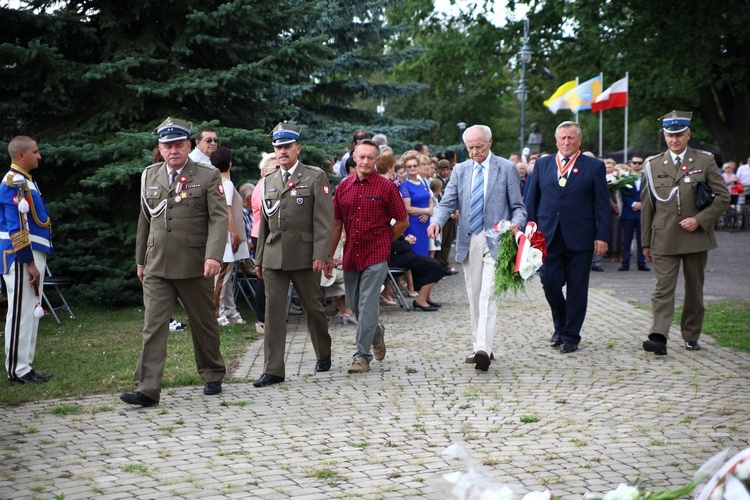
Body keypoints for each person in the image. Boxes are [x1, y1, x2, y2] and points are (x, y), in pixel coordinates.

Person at [121, 117, 228, 407]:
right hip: (157, 264)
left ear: (189, 145)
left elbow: (219, 219)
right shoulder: (149, 175)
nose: (173, 151)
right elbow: (145, 219)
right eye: (167, 146)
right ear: (160, 147)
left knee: (203, 322)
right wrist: (140, 259)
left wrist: (213, 255)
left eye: (179, 145)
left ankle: (212, 372)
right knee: (153, 325)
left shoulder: (207, 175)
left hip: (195, 263)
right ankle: (147, 388)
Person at [428, 125, 526, 371]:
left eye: (478, 147)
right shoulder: (460, 170)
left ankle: (484, 348)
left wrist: (515, 224)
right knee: (474, 296)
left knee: (488, 295)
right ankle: (478, 346)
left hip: (497, 238)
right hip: (468, 239)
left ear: (490, 142)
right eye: (469, 148)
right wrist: (436, 221)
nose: (474, 152)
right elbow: (447, 203)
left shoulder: (506, 168)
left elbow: (519, 207)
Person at [640, 111, 730, 355]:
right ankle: (658, 336)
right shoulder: (653, 164)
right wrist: (645, 242)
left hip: (695, 236)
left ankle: (691, 335)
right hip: (664, 236)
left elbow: (723, 196)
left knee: (694, 289)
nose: (674, 140)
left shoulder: (704, 160)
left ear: (688, 135)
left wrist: (700, 220)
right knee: (662, 289)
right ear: (665, 136)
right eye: (670, 135)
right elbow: (647, 206)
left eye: (679, 135)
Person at [253, 123, 334, 387]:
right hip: (274, 256)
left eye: (287, 146)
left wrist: (321, 255)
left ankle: (323, 352)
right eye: (278, 147)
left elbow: (324, 221)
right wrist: (259, 258)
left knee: (313, 307)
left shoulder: (314, 176)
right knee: (273, 314)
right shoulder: (268, 181)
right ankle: (273, 369)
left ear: (297, 148)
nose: (282, 151)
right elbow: (264, 223)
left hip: (305, 255)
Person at [524, 121, 611, 354]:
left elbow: (602, 205)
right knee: (550, 283)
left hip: (580, 237)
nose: (566, 142)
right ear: (556, 140)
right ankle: (560, 325)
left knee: (577, 288)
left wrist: (602, 236)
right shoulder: (542, 164)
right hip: (548, 236)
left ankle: (571, 335)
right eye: (562, 138)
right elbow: (531, 200)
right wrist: (529, 232)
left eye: (571, 138)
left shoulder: (593, 166)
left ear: (579, 140)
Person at [327, 139, 409, 374]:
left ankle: (361, 356)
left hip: (376, 255)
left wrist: (385, 239)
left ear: (376, 160)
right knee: (355, 308)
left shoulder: (386, 187)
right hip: (352, 254)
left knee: (368, 304)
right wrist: (329, 258)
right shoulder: (343, 187)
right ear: (354, 158)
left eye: (370, 158)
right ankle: (378, 334)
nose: (365, 161)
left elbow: (403, 221)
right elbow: (336, 224)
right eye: (361, 157)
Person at [2, 136, 53, 384]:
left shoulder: (25, 181)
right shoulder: (14, 182)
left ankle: (25, 365)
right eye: (35, 151)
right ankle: (16, 369)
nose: (39, 155)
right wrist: (29, 262)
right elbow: (16, 227)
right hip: (21, 256)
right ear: (21, 155)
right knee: (21, 312)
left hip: (32, 255)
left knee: (31, 312)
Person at [211, 147, 250, 326]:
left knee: (228, 277)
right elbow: (226, 210)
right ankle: (217, 313)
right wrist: (234, 234)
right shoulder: (224, 183)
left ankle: (231, 310)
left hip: (227, 236)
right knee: (222, 278)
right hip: (226, 238)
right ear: (230, 164)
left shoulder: (220, 182)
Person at [250, 152, 279, 334]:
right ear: (264, 170)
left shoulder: (269, 184)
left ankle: (269, 317)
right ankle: (262, 319)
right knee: (263, 276)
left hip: (267, 232)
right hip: (261, 234)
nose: (279, 170)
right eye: (275, 168)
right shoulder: (263, 186)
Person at [390, 234, 444, 311]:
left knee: (433, 263)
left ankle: (425, 297)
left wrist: (406, 239)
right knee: (435, 266)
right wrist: (407, 242)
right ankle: (420, 300)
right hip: (393, 259)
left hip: (399, 255)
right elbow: (394, 245)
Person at [399, 152, 433, 257]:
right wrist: (426, 211)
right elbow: (407, 208)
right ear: (405, 168)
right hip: (414, 224)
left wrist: (429, 212)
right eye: (409, 166)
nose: (412, 168)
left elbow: (430, 199)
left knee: (424, 252)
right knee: (416, 253)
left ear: (418, 167)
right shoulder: (404, 186)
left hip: (425, 224)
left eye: (414, 165)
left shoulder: (423, 182)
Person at [619, 156, 649, 271]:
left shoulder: (646, 178)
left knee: (642, 240)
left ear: (642, 165)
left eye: (639, 163)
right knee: (626, 240)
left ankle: (642, 263)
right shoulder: (625, 178)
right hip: (628, 212)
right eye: (634, 162)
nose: (637, 165)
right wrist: (633, 204)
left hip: (642, 213)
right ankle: (625, 263)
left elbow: (649, 194)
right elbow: (623, 194)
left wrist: (642, 204)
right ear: (630, 164)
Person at [435, 156, 458, 276]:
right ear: (438, 170)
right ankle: (443, 264)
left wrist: (456, 210)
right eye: (442, 170)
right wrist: (449, 213)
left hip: (452, 217)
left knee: (448, 241)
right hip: (444, 217)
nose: (445, 172)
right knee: (442, 241)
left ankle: (445, 261)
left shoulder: (450, 181)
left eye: (447, 169)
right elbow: (439, 199)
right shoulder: (437, 181)